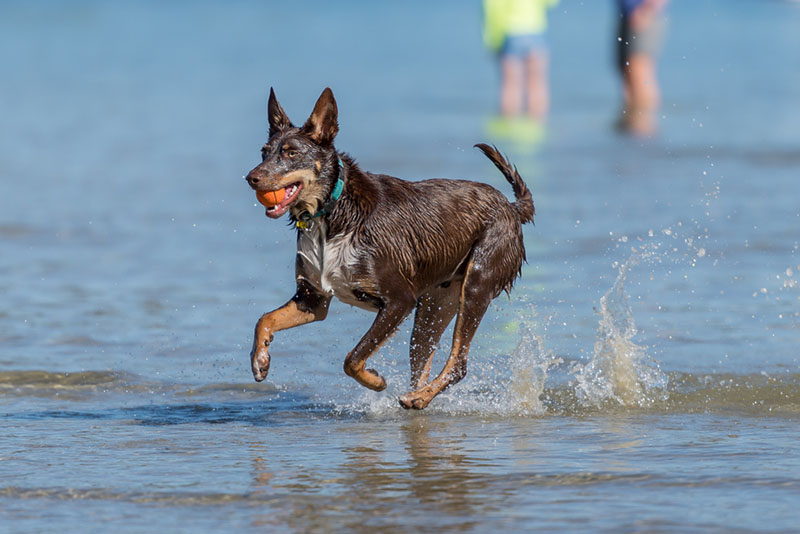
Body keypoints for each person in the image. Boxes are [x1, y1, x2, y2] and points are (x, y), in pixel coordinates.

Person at [483, 0, 560, 121]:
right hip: (536, 32)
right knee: (538, 83)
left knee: (510, 84)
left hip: (511, 33)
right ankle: (537, 125)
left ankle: (509, 124)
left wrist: (492, 41)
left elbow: (491, 12)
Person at [616, 0, 668, 136]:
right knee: (627, 72)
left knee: (639, 71)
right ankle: (633, 130)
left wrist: (649, 8)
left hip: (643, 12)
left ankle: (644, 131)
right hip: (626, 12)